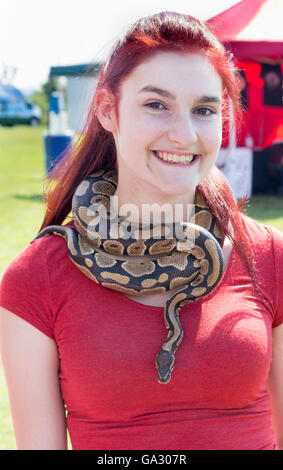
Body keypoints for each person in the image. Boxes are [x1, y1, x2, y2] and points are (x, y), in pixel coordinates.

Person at [0, 11, 283, 451]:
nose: (183, 134)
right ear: (108, 111)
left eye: (204, 110)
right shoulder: (37, 278)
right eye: (156, 105)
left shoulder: (268, 256)